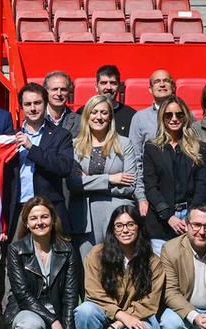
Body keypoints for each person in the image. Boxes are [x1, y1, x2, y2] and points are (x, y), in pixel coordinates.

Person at [74, 204, 161, 329]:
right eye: (119, 226)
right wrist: (119, 316)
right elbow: (93, 293)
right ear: (112, 230)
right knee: (84, 312)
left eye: (130, 224)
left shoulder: (153, 261)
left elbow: (151, 301)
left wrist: (118, 325)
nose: (125, 230)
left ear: (139, 227)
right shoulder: (97, 254)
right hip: (104, 314)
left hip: (136, 317)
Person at [5, 196, 83, 329]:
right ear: (27, 223)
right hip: (27, 313)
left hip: (59, 318)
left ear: (53, 219)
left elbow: (71, 296)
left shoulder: (68, 250)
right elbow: (22, 295)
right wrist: (54, 323)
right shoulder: (16, 250)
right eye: (34, 218)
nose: (40, 222)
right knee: (30, 327)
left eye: (44, 217)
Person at [69, 95, 137, 256]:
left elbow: (130, 186)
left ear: (110, 117)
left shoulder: (124, 144)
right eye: (94, 112)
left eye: (104, 113)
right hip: (85, 219)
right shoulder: (74, 146)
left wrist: (89, 182)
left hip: (118, 216)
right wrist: (110, 179)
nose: (98, 117)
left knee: (119, 271)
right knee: (90, 273)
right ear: (87, 116)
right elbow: (73, 184)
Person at [142, 96, 206, 253]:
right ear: (162, 118)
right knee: (162, 274)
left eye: (179, 114)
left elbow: (203, 184)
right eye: (168, 115)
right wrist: (168, 217)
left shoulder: (199, 148)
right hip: (161, 222)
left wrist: (191, 218)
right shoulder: (152, 148)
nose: (174, 119)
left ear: (185, 116)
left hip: (192, 219)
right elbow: (151, 187)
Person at [10, 83, 78, 233]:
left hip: (49, 209)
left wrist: (31, 148)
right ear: (21, 107)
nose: (33, 108)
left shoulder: (61, 135)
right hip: (18, 209)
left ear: (46, 104)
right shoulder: (10, 136)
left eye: (37, 103)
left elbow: (64, 167)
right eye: (27, 104)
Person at [126, 68, 177, 193]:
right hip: (151, 188)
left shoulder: (186, 115)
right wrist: (140, 194)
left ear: (174, 87)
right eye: (157, 81)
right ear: (150, 89)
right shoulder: (140, 118)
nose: (162, 84)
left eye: (166, 81)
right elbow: (135, 158)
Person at [93, 64, 137, 136]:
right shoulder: (83, 113)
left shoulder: (131, 116)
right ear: (96, 87)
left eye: (113, 83)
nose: (108, 87)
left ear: (119, 87)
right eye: (104, 83)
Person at [43, 71, 81, 137]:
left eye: (63, 90)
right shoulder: (36, 119)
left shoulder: (79, 121)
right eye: (54, 89)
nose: (59, 94)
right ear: (46, 92)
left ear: (69, 92)